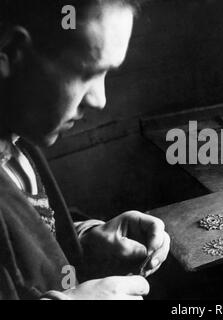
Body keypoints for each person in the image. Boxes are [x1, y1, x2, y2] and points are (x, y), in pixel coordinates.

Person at [0, 0, 170, 300]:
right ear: (13, 54)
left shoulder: (16, 138)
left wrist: (88, 239)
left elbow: (31, 237)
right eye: (87, 72)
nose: (99, 100)